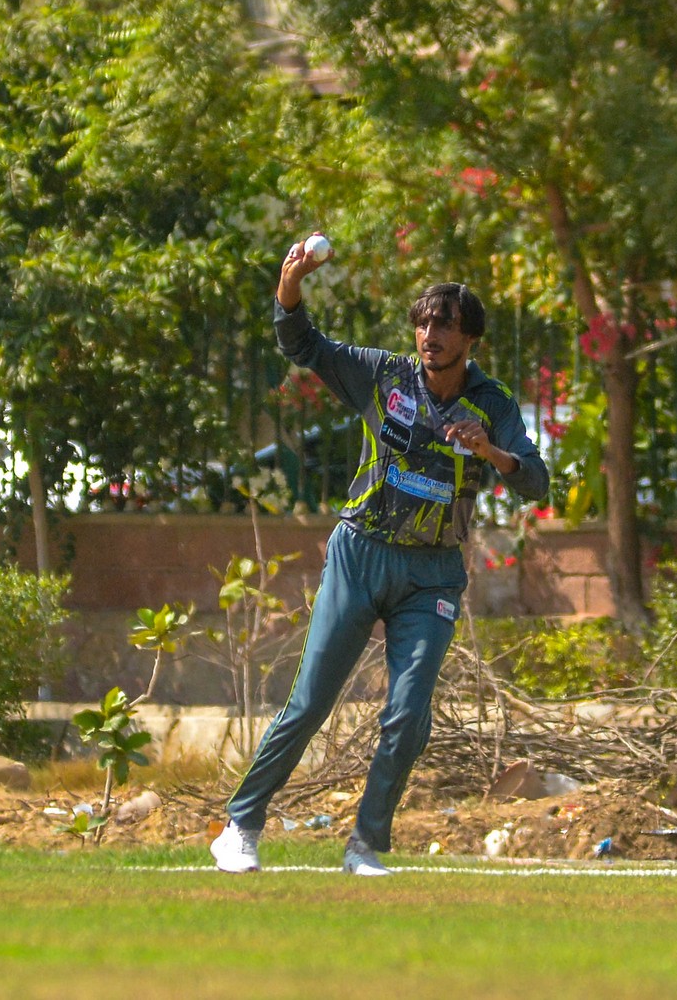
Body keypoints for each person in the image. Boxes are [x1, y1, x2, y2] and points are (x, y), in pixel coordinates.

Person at [211, 234, 550, 876]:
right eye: (423, 324)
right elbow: (302, 344)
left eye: (444, 326)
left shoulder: (494, 404)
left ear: (469, 338)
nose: (430, 336)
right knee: (311, 702)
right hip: (360, 554)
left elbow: (535, 482)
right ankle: (241, 826)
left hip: (433, 574)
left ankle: (364, 845)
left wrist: (491, 453)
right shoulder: (384, 374)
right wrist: (290, 285)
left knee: (409, 714)